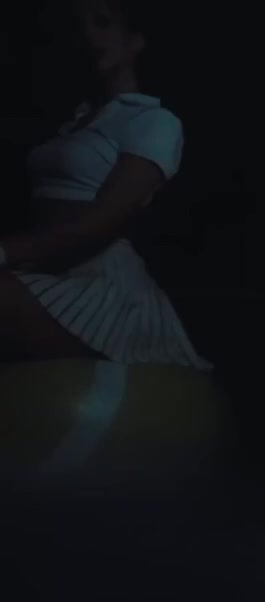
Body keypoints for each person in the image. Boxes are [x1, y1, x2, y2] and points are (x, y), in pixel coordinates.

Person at [0, 0, 208, 369]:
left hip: (100, 288)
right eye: (78, 26)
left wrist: (4, 252)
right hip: (45, 269)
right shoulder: (72, 122)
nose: (88, 34)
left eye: (103, 22)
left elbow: (99, 224)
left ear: (136, 40)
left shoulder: (152, 121)